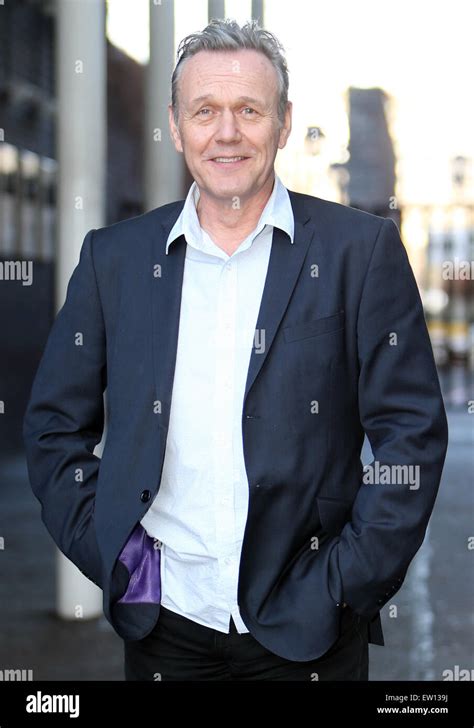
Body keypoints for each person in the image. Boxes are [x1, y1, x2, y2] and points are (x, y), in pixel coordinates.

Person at [23, 19, 448, 681]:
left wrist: (345, 584)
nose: (227, 133)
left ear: (282, 122)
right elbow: (53, 428)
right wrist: (121, 562)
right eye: (205, 111)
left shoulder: (356, 253)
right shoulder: (116, 260)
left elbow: (412, 436)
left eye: (249, 110)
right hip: (165, 627)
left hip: (310, 631)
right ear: (175, 122)